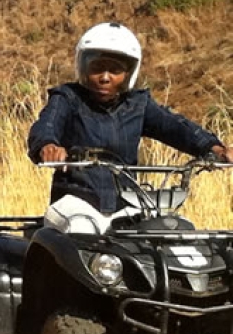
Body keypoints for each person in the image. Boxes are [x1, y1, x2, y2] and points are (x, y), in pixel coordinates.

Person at [28, 22, 232, 214]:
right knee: (80, 228)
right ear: (83, 67)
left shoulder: (138, 104)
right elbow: (46, 126)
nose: (105, 77)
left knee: (171, 229)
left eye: (115, 70)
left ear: (128, 74)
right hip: (74, 203)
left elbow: (176, 128)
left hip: (127, 204)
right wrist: (47, 146)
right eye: (97, 67)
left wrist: (215, 148)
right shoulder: (68, 98)